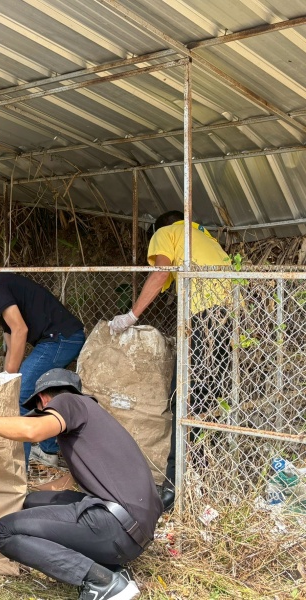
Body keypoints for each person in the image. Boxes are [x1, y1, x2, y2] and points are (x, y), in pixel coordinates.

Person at [0, 369, 162, 600]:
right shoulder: (93, 420)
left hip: (116, 527)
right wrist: (16, 491)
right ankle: (110, 568)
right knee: (30, 502)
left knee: (4, 531)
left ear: (44, 400)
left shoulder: (69, 401)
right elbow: (66, 483)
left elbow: (32, 431)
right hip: (132, 532)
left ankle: (102, 582)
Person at [109, 210, 232, 511]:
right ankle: (203, 477)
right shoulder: (202, 236)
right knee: (206, 400)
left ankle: (175, 487)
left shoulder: (167, 232)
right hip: (229, 321)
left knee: (183, 399)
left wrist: (131, 316)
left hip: (204, 321)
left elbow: (161, 273)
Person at [0, 265, 85, 466]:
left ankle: (20, 465)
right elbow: (11, 339)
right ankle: (48, 451)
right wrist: (5, 376)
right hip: (60, 338)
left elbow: (20, 329)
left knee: (20, 394)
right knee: (40, 392)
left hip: (60, 339)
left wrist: (10, 377)